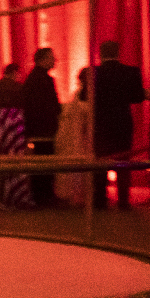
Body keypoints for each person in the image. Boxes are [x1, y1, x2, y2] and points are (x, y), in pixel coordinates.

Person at [93, 40, 146, 209]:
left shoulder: (94, 72)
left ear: (101, 54)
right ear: (118, 53)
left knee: (100, 162)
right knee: (124, 161)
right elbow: (138, 97)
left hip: (101, 123)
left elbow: (87, 97)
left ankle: (100, 200)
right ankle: (123, 201)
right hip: (122, 121)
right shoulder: (131, 72)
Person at [22, 47, 62, 207]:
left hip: (37, 128)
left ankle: (41, 195)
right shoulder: (43, 80)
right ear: (43, 59)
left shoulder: (32, 79)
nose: (55, 60)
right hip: (43, 128)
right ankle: (44, 196)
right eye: (52, 57)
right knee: (45, 162)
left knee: (40, 162)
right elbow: (47, 104)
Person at [55, 67, 92, 206]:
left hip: (75, 135)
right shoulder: (90, 95)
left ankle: (76, 195)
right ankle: (83, 196)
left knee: (75, 165)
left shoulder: (77, 95)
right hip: (84, 135)